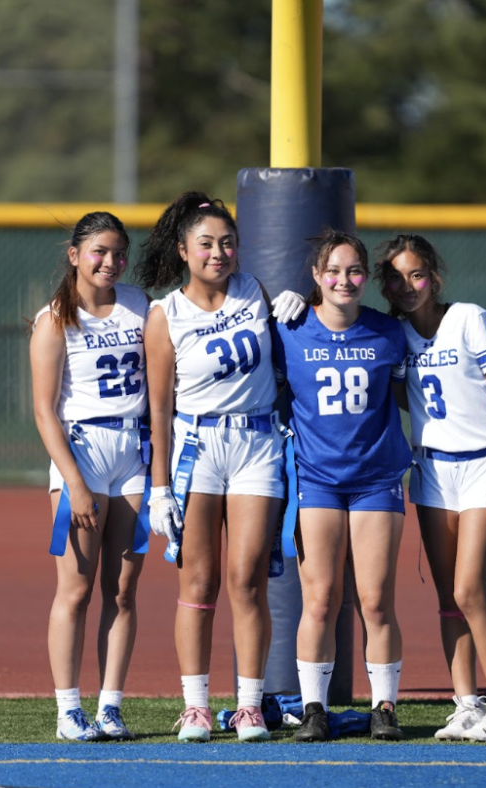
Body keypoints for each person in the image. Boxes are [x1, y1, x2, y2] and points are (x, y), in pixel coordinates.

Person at [137, 192, 296, 743]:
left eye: (227, 242)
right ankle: (197, 707)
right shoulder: (166, 314)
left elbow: (286, 354)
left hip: (256, 445)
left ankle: (249, 706)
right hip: (197, 447)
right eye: (206, 243)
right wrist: (159, 486)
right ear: (183, 250)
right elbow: (158, 407)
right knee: (198, 582)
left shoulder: (254, 291)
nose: (219, 252)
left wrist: (300, 306)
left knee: (247, 580)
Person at [378, 233, 486, 742]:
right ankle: (466, 706)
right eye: (396, 278)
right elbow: (404, 393)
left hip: (483, 466)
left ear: (434, 277)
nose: (408, 285)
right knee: (446, 597)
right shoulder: (396, 334)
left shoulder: (468, 317)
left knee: (469, 590)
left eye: (416, 275)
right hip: (432, 471)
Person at [271, 230, 412, 742]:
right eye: (333, 271)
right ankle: (314, 708)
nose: (344, 280)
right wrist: (272, 308)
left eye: (354, 271)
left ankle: (384, 707)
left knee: (375, 600)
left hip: (376, 479)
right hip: (318, 479)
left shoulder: (387, 332)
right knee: (320, 599)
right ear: (315, 276)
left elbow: (409, 390)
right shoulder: (289, 329)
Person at [29, 211, 149, 742]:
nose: (110, 261)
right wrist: (74, 482)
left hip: (134, 451)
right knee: (75, 591)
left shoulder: (141, 306)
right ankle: (67, 709)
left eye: (119, 252)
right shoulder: (55, 318)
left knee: (122, 591)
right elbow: (43, 409)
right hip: (83, 450)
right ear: (75, 254)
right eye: (99, 251)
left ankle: (111, 706)